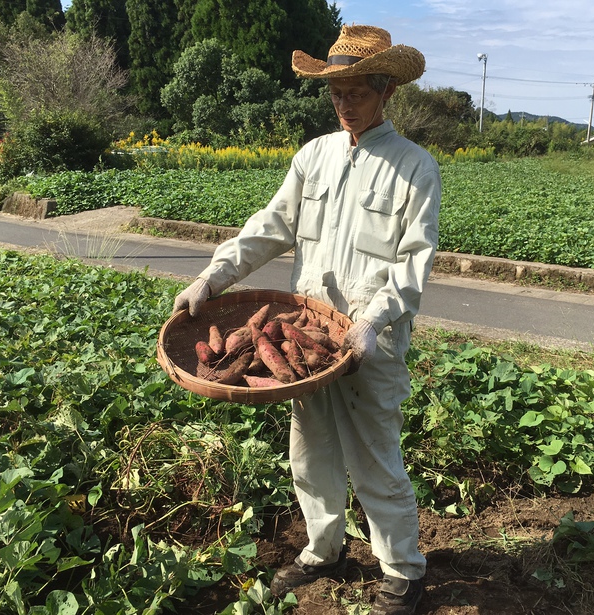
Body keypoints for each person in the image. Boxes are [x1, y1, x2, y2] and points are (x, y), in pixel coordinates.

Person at [173, 24, 441, 615]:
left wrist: (371, 320)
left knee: (374, 458)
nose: (343, 103)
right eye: (334, 92)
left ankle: (402, 572)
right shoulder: (313, 156)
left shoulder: (414, 167)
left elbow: (413, 264)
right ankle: (325, 550)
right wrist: (212, 278)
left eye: (355, 91)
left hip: (371, 343)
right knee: (310, 451)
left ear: (385, 89)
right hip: (306, 337)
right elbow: (269, 227)